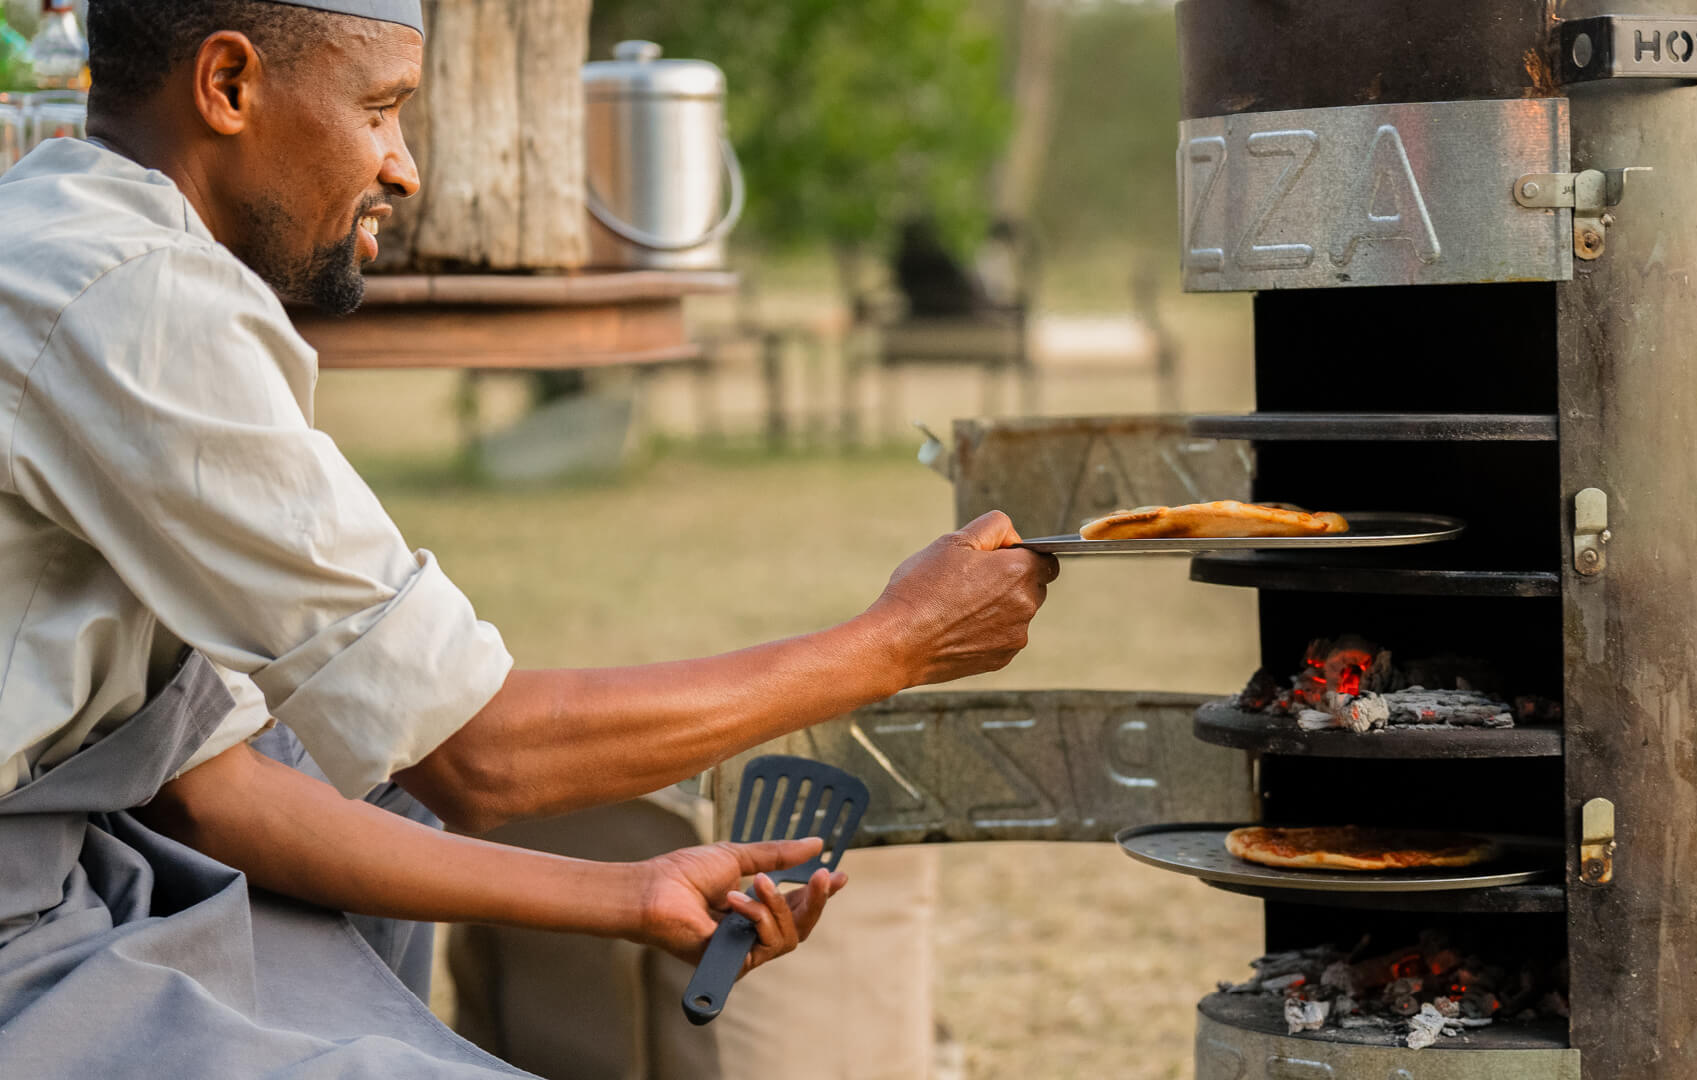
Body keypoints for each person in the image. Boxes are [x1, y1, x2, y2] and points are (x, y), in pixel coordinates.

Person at [0, 1, 1059, 1075]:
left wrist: (630, 893)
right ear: (227, 87)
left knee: (341, 750)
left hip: (81, 869)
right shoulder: (135, 299)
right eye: (381, 109)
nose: (402, 168)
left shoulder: (66, 226)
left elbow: (218, 783)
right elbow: (479, 753)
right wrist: (892, 646)